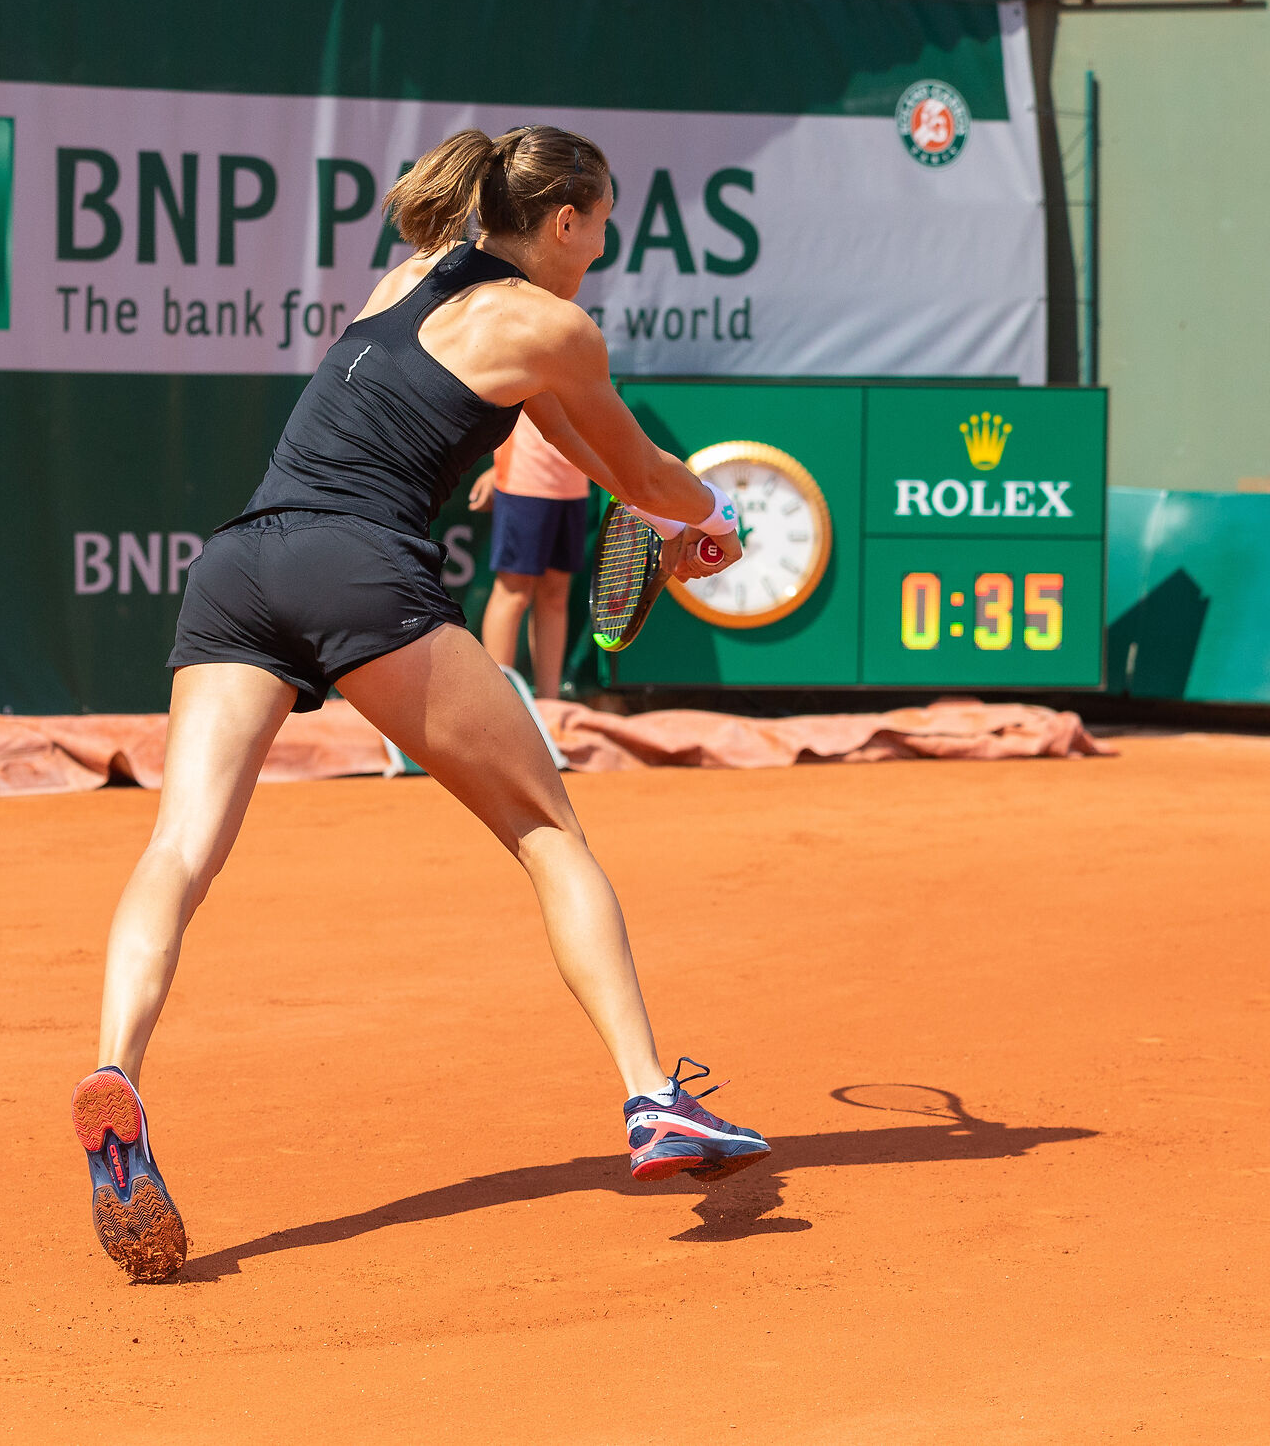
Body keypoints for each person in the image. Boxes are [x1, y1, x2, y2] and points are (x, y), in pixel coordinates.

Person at [68, 126, 770, 1282]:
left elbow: (576, 443)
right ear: (564, 221)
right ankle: (655, 1100)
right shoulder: (557, 324)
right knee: (549, 832)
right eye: (601, 223)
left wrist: (661, 511)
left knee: (181, 848)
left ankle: (117, 1072)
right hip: (356, 566)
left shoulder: (408, 278)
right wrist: (708, 518)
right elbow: (641, 472)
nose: (604, 244)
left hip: (239, 562)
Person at [466, 410, 590, 697]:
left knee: (556, 594)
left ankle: (549, 701)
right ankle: (498, 700)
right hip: (524, 477)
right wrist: (498, 465)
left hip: (576, 481)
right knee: (514, 592)